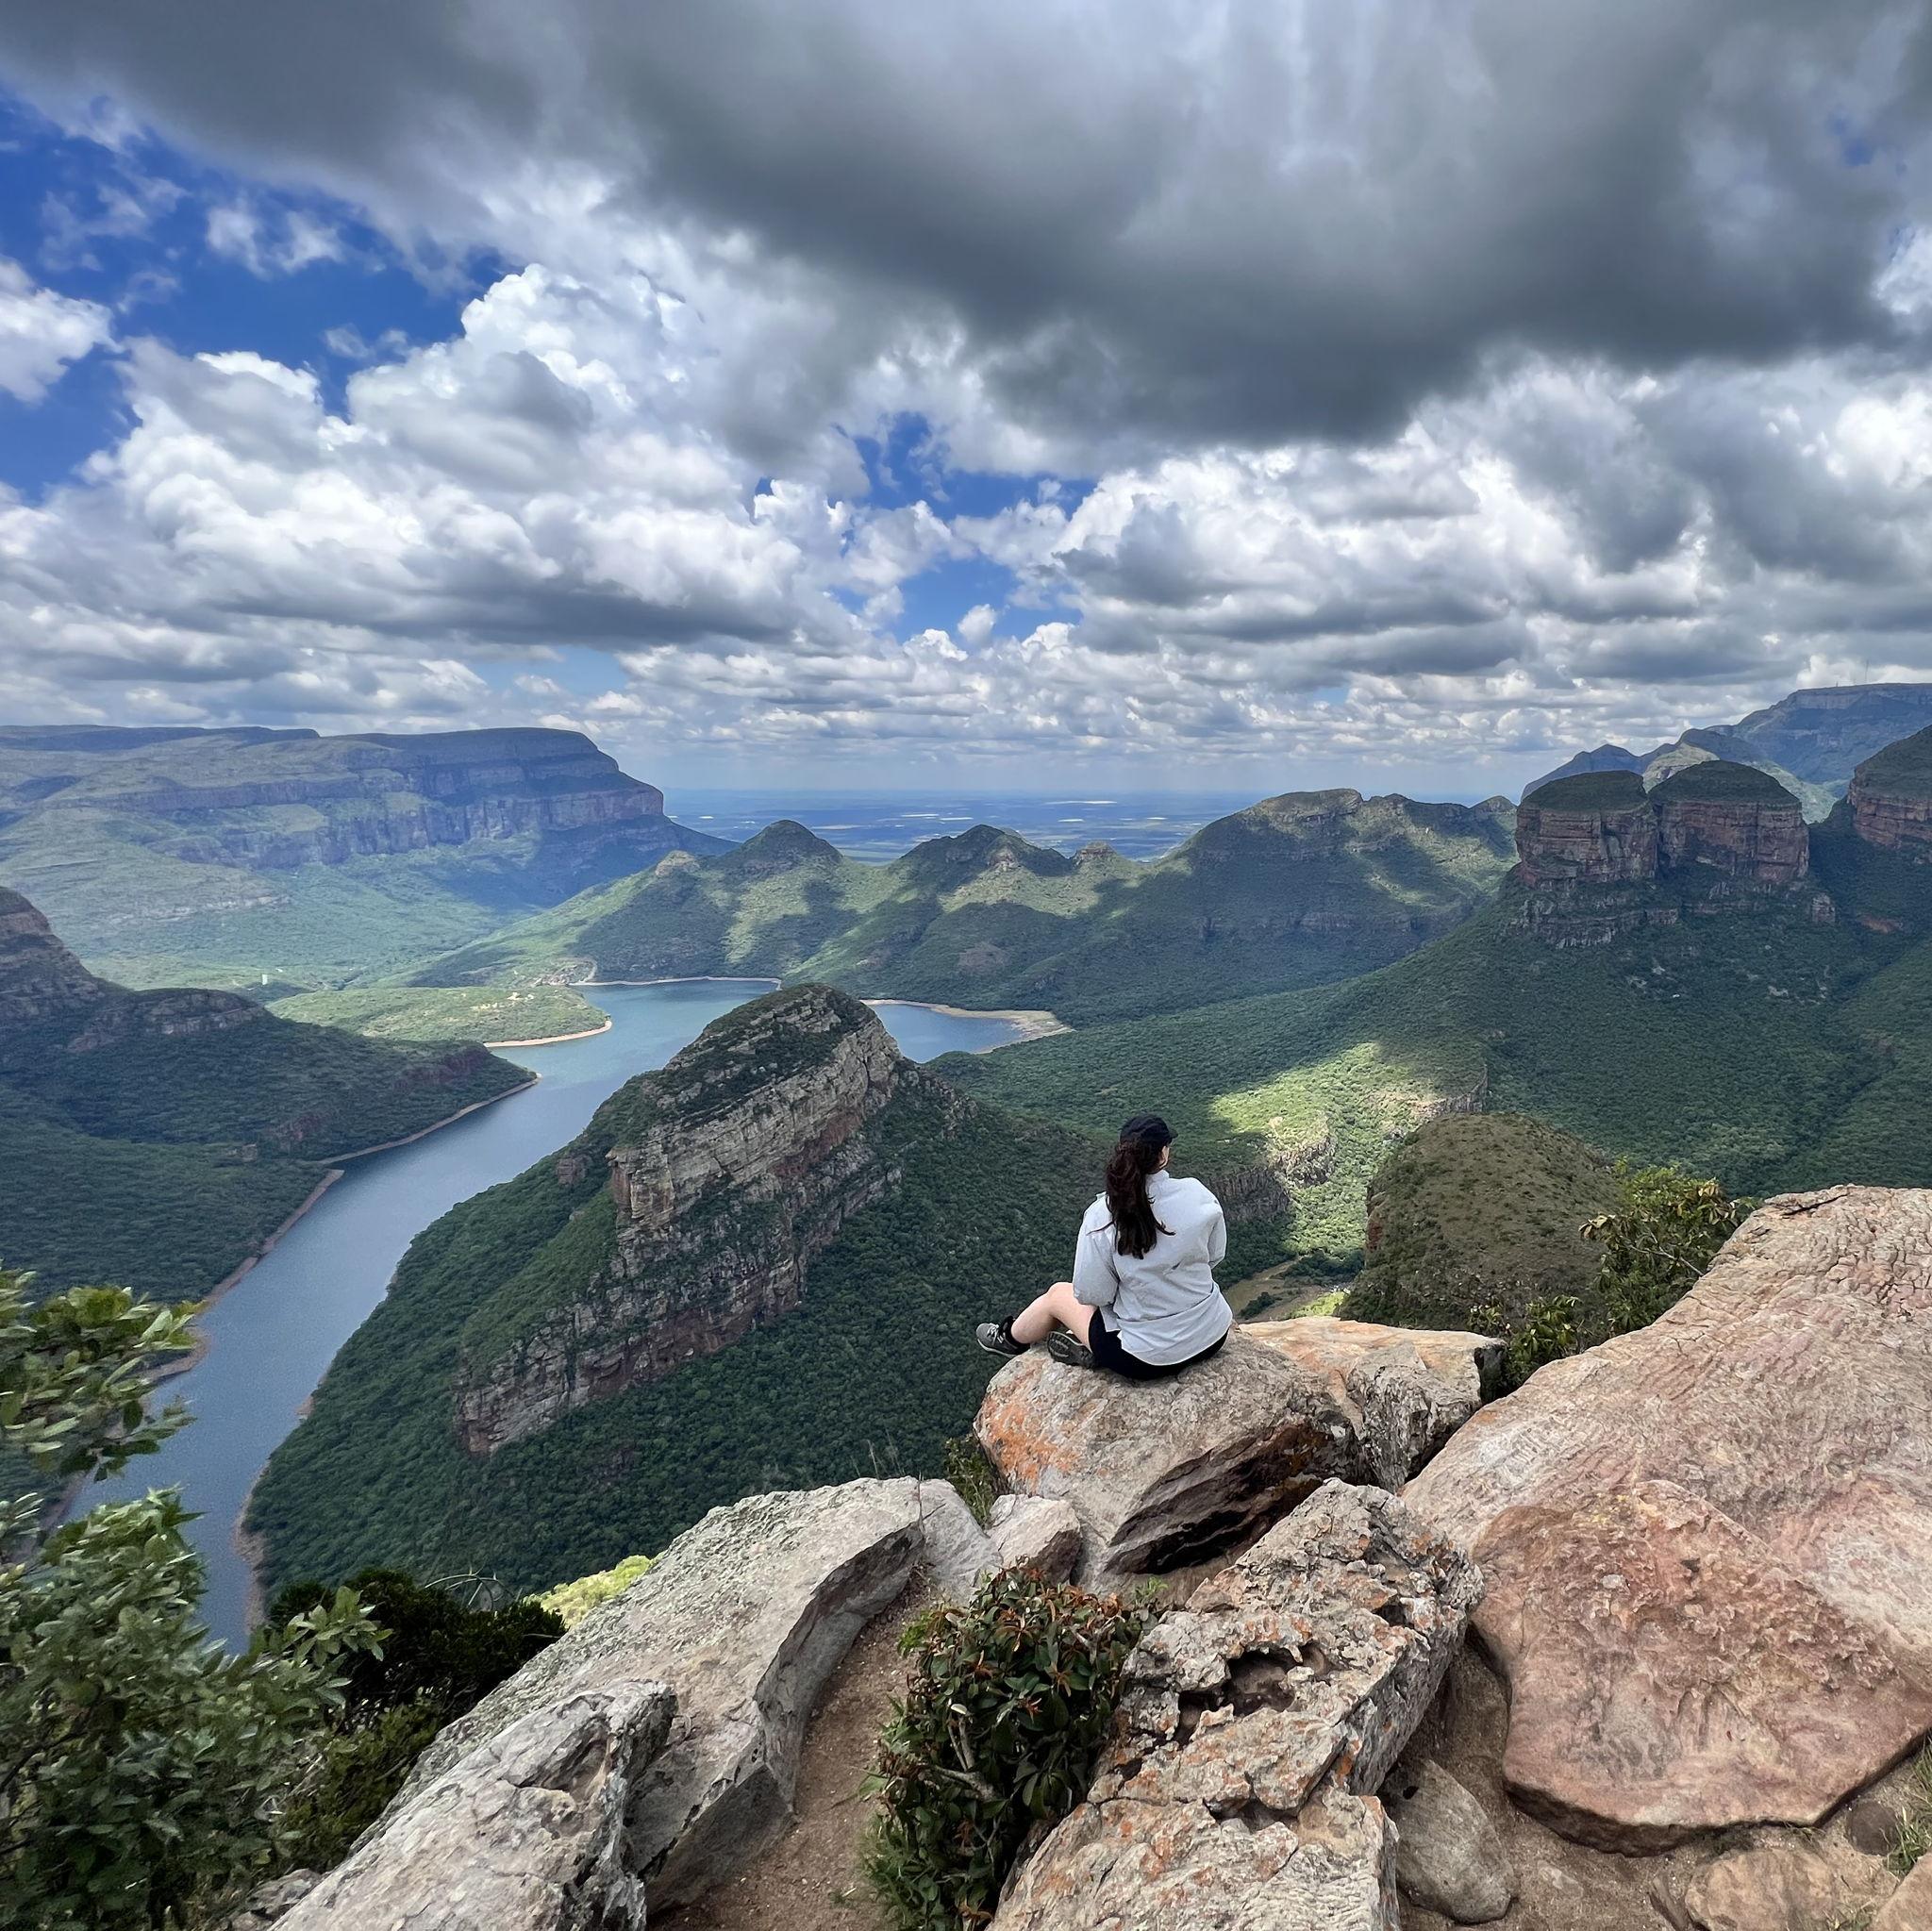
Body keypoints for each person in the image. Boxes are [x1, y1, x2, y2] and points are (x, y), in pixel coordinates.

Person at [976, 1113, 1232, 1380]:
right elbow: (1215, 1255)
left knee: (1056, 1295)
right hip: (1212, 1335)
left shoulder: (1103, 1216)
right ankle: (1083, 1343)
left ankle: (1009, 1339)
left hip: (1144, 1360)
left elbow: (1091, 1294)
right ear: (1164, 1155)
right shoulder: (1198, 1193)